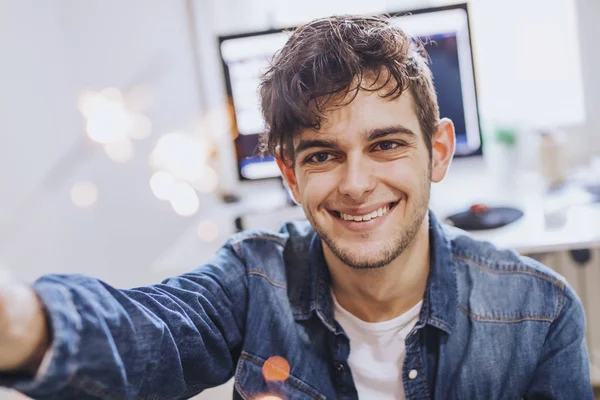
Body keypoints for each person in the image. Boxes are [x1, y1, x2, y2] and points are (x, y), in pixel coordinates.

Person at [0, 15, 593, 400]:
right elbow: (149, 333)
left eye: (385, 145)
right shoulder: (252, 279)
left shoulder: (540, 311)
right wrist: (22, 322)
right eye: (322, 155)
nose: (356, 184)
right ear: (289, 174)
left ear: (437, 152)